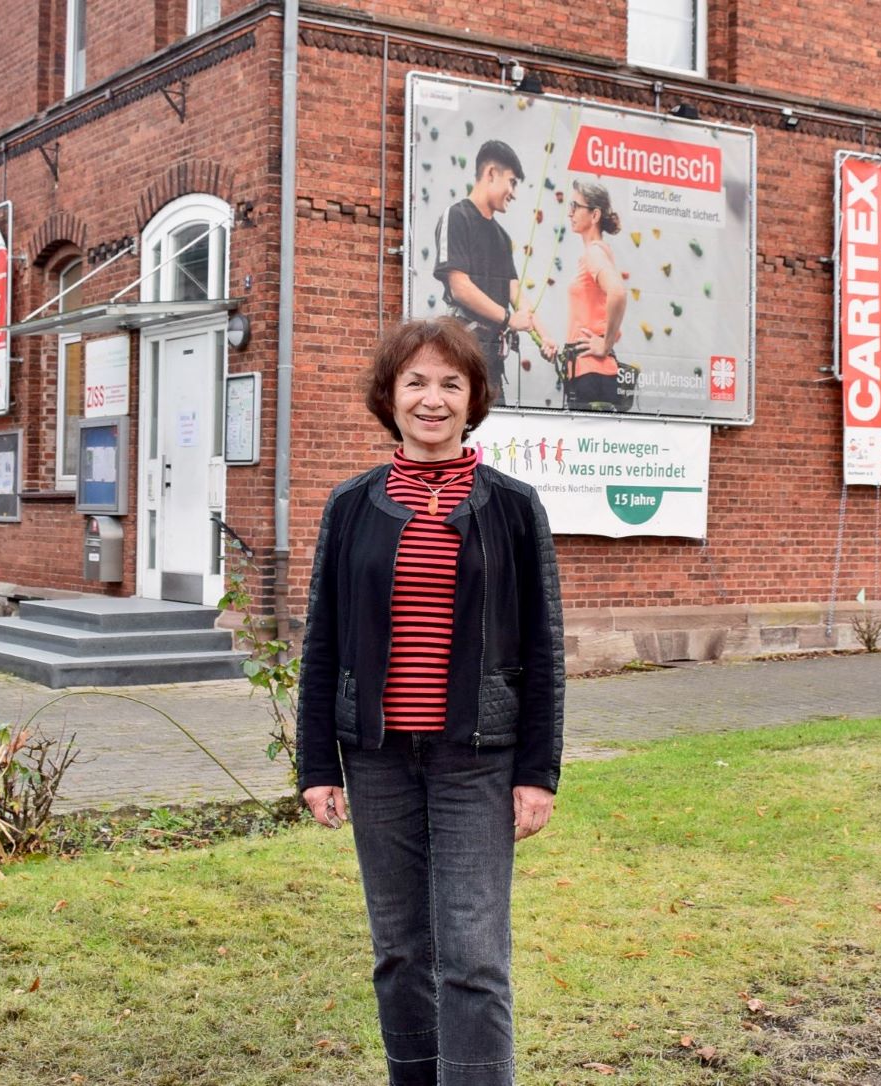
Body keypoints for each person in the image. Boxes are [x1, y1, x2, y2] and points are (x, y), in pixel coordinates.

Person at [297, 318, 565, 1086]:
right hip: (377, 759)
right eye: (416, 381)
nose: (433, 398)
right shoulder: (352, 506)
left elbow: (543, 646)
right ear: (390, 395)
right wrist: (319, 764)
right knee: (401, 949)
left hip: (477, 760)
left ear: (474, 397)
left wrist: (537, 772)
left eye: (451, 383)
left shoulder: (512, 508)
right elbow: (324, 641)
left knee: (474, 956)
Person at [433, 140, 553, 404]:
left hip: (493, 362)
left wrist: (544, 337)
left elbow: (515, 292)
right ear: (490, 174)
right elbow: (459, 288)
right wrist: (509, 320)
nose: (514, 192)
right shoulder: (457, 216)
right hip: (461, 355)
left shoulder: (501, 237)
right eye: (511, 182)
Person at [562, 180, 628, 410]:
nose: (570, 212)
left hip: (591, 373)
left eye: (575, 206)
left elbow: (618, 292)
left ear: (595, 215)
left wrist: (606, 344)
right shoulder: (597, 252)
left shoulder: (594, 252)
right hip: (588, 371)